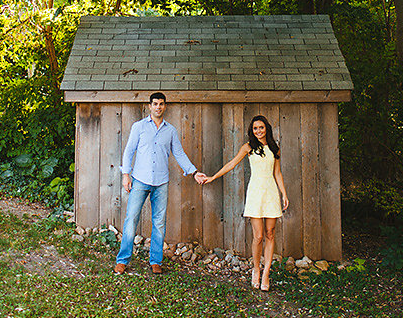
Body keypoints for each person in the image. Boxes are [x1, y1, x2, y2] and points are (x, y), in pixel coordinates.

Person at [115, 92, 206, 275]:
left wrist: (194, 172)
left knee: (159, 223)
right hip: (140, 180)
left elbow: (179, 153)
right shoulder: (139, 127)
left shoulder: (170, 130)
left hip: (161, 182)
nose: (158, 107)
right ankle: (122, 260)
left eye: (161, 104)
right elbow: (128, 151)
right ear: (150, 106)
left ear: (165, 106)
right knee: (131, 219)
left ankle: (155, 261)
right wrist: (126, 175)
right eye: (155, 103)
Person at [200, 115, 289, 291]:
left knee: (270, 233)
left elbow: (277, 173)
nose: (258, 131)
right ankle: (256, 269)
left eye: (261, 128)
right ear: (252, 130)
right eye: (255, 128)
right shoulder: (248, 147)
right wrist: (213, 177)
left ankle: (266, 274)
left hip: (271, 193)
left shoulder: (274, 148)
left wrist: (284, 194)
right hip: (255, 192)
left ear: (267, 129)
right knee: (258, 236)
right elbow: (232, 164)